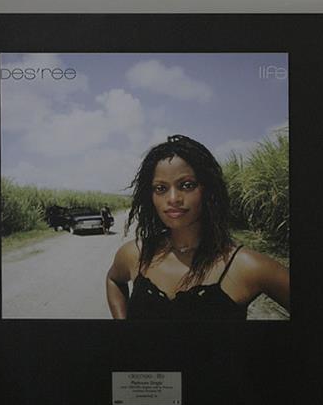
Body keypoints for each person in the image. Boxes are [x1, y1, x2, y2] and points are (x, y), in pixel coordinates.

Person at [106, 135, 289, 320]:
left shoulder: (245, 266)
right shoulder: (135, 254)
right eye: (160, 188)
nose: (173, 199)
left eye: (186, 185)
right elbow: (113, 280)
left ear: (207, 190)